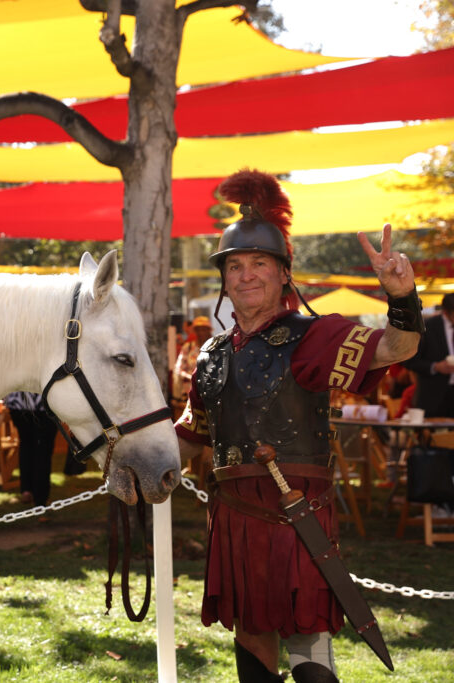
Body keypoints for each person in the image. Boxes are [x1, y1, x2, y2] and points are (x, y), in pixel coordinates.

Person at [174, 169, 422, 683]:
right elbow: (191, 434)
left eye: (259, 263)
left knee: (306, 631)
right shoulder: (212, 354)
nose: (246, 275)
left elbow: (398, 348)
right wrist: (132, 459)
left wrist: (402, 299)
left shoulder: (314, 336)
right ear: (223, 277)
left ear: (284, 273)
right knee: (250, 634)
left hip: (295, 512)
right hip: (234, 516)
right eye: (235, 265)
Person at [404, 292, 454, 418]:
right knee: (434, 436)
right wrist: (435, 366)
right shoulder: (427, 327)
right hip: (433, 397)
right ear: (446, 312)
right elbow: (410, 361)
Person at [4, 391, 58, 505]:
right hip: (43, 402)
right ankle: (40, 497)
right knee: (43, 450)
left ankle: (27, 490)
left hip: (19, 401)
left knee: (26, 446)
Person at [172, 316, 214, 406]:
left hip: (211, 391)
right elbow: (178, 369)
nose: (201, 333)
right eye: (198, 330)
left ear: (209, 331)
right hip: (189, 392)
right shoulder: (188, 347)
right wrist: (191, 377)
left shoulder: (216, 348)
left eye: (204, 329)